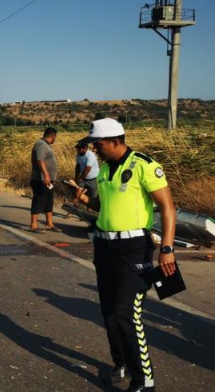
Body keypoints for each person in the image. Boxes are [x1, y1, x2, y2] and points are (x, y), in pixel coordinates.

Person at [74, 118, 176, 392]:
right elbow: (104, 205)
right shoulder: (106, 169)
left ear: (115, 141)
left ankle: (144, 379)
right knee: (109, 312)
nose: (95, 150)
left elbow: (168, 207)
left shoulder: (143, 164)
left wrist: (167, 249)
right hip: (106, 247)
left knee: (127, 313)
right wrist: (86, 201)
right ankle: (120, 365)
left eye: (98, 144)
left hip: (134, 249)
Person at [29, 127, 60, 233]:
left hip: (48, 180)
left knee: (48, 201)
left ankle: (49, 224)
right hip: (40, 179)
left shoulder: (46, 145)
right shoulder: (41, 144)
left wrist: (51, 178)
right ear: (53, 136)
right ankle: (33, 225)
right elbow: (40, 160)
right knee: (39, 200)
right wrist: (46, 175)